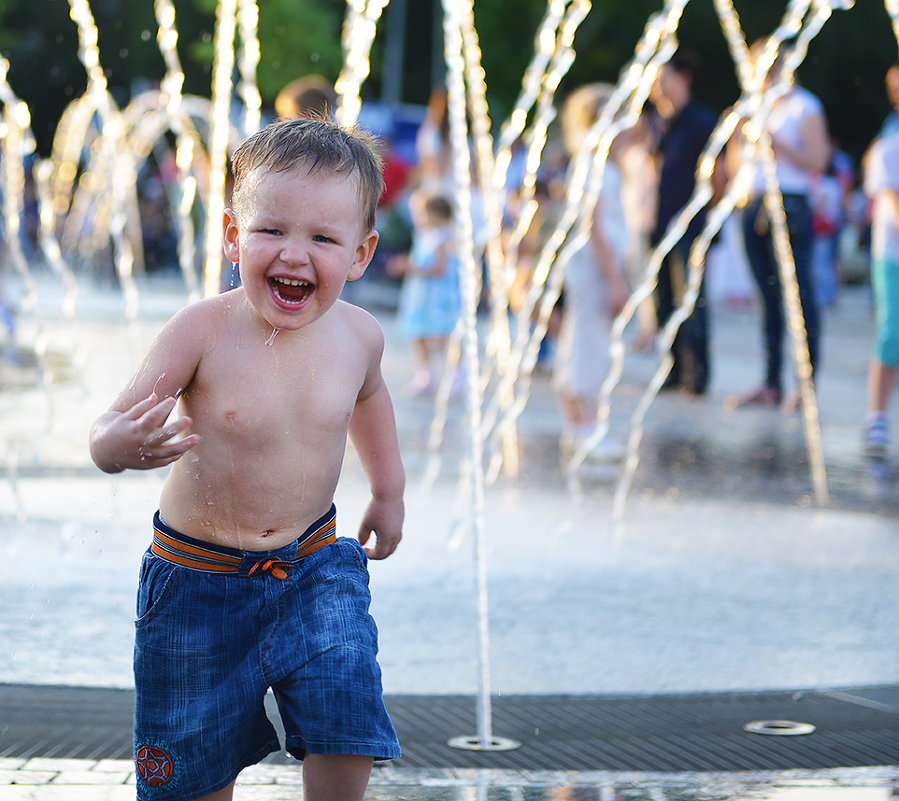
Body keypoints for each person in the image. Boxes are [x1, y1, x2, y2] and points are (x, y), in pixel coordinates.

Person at [89, 118, 404, 801]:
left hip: (314, 566)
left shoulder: (359, 337)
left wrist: (387, 489)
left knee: (346, 703)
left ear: (360, 252)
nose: (294, 255)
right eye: (272, 230)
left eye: (322, 238)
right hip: (197, 584)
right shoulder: (202, 329)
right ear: (233, 234)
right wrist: (118, 446)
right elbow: (108, 426)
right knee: (190, 763)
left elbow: (370, 401)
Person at [727, 40, 832, 410]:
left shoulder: (805, 106)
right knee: (767, 297)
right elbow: (731, 165)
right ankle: (770, 381)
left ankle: (805, 384)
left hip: (789, 201)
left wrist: (777, 145)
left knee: (798, 296)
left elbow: (819, 160)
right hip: (752, 201)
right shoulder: (753, 107)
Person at [553, 83, 630, 463]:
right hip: (595, 263)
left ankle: (579, 426)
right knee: (589, 342)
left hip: (589, 261)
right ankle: (586, 428)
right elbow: (594, 222)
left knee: (580, 337)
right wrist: (616, 278)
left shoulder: (587, 153)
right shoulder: (596, 156)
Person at [649, 48, 718, 396]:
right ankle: (673, 368)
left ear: (684, 78)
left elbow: (717, 174)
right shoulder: (661, 123)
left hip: (690, 224)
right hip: (660, 222)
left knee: (690, 300)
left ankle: (697, 372)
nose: (657, 87)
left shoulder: (701, 122)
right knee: (663, 300)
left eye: (663, 79)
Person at [388, 192, 462, 396]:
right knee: (417, 332)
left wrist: (410, 267)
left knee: (443, 334)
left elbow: (439, 268)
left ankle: (457, 374)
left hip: (436, 296)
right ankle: (425, 374)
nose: (416, 217)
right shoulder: (426, 236)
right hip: (422, 295)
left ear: (436, 215)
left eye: (421, 213)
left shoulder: (442, 238)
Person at [863, 129, 899, 457]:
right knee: (891, 334)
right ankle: (877, 416)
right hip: (893, 257)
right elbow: (892, 202)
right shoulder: (889, 148)